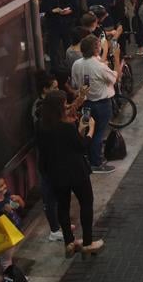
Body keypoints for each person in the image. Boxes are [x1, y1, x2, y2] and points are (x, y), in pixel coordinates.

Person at [36, 90, 103, 257]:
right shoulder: (66, 127)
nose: (67, 107)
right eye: (64, 104)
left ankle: (69, 241)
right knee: (86, 203)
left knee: (63, 206)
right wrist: (89, 130)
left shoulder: (41, 127)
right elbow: (81, 146)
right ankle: (87, 242)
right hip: (77, 171)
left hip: (56, 174)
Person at [70, 34, 117, 173]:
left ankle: (88, 159)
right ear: (96, 49)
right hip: (102, 104)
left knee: (87, 131)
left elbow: (74, 83)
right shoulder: (99, 66)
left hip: (85, 104)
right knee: (98, 133)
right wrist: (118, 57)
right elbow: (114, 79)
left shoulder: (76, 64)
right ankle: (96, 163)